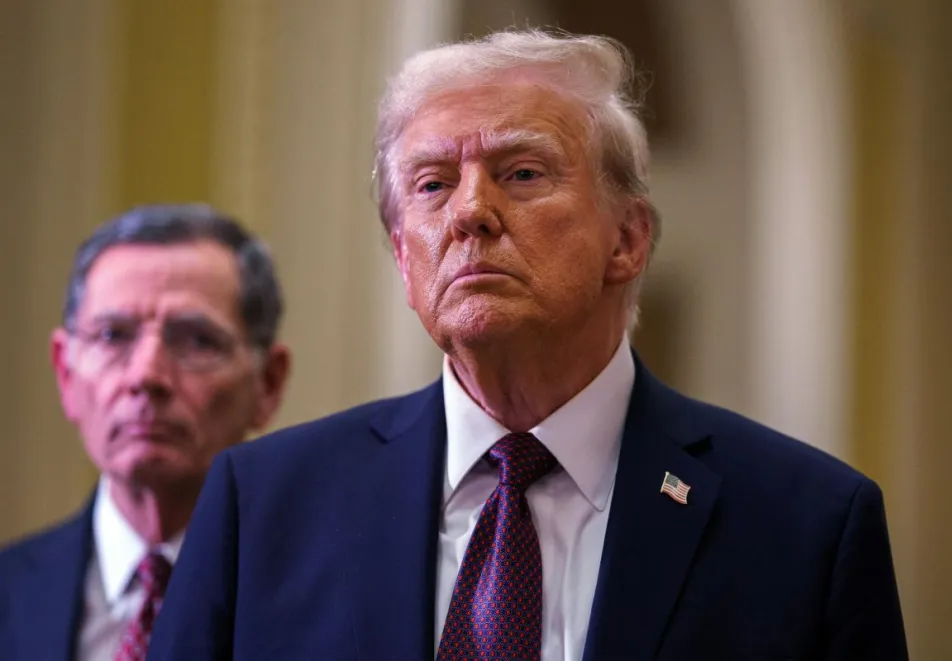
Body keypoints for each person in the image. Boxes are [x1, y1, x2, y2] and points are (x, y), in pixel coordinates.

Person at [148, 30, 908, 661]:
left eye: (521, 172)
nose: (471, 211)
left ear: (627, 239)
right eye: (432, 185)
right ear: (404, 260)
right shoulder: (261, 506)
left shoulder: (807, 525)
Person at [0, 204, 291, 661]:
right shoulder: (10, 592)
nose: (146, 375)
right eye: (113, 336)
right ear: (65, 373)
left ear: (268, 383)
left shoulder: (326, 597)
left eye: (196, 340)